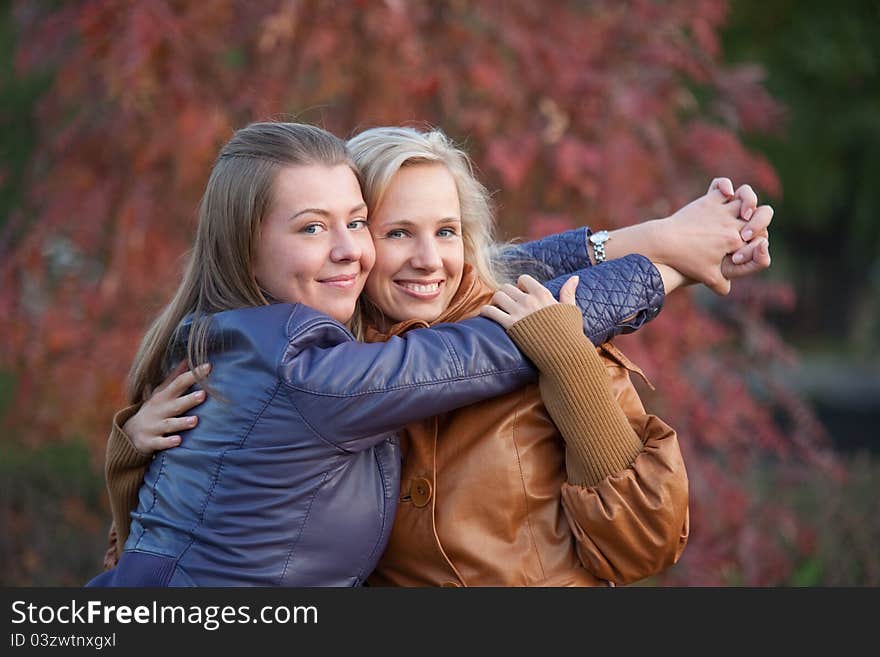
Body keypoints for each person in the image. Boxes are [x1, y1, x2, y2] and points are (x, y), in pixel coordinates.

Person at [98, 123, 772, 586]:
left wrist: (656, 241)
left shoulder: (540, 335)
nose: (427, 257)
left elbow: (646, 542)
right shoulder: (327, 364)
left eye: (447, 230)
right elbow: (167, 545)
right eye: (391, 230)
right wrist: (675, 261)